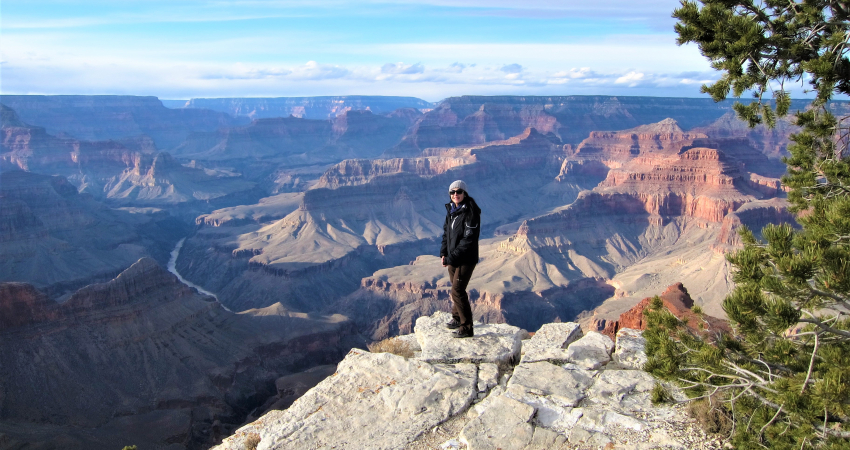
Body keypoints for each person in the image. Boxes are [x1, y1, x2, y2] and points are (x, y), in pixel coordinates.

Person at [440, 180, 481, 338]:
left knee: (457, 290)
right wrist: (444, 253)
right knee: (456, 289)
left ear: (465, 193)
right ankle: (457, 318)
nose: (455, 194)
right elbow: (446, 234)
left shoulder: (471, 212)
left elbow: (468, 240)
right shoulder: (452, 210)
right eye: (452, 192)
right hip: (452, 257)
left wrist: (452, 256)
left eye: (459, 191)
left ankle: (467, 327)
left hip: (466, 259)